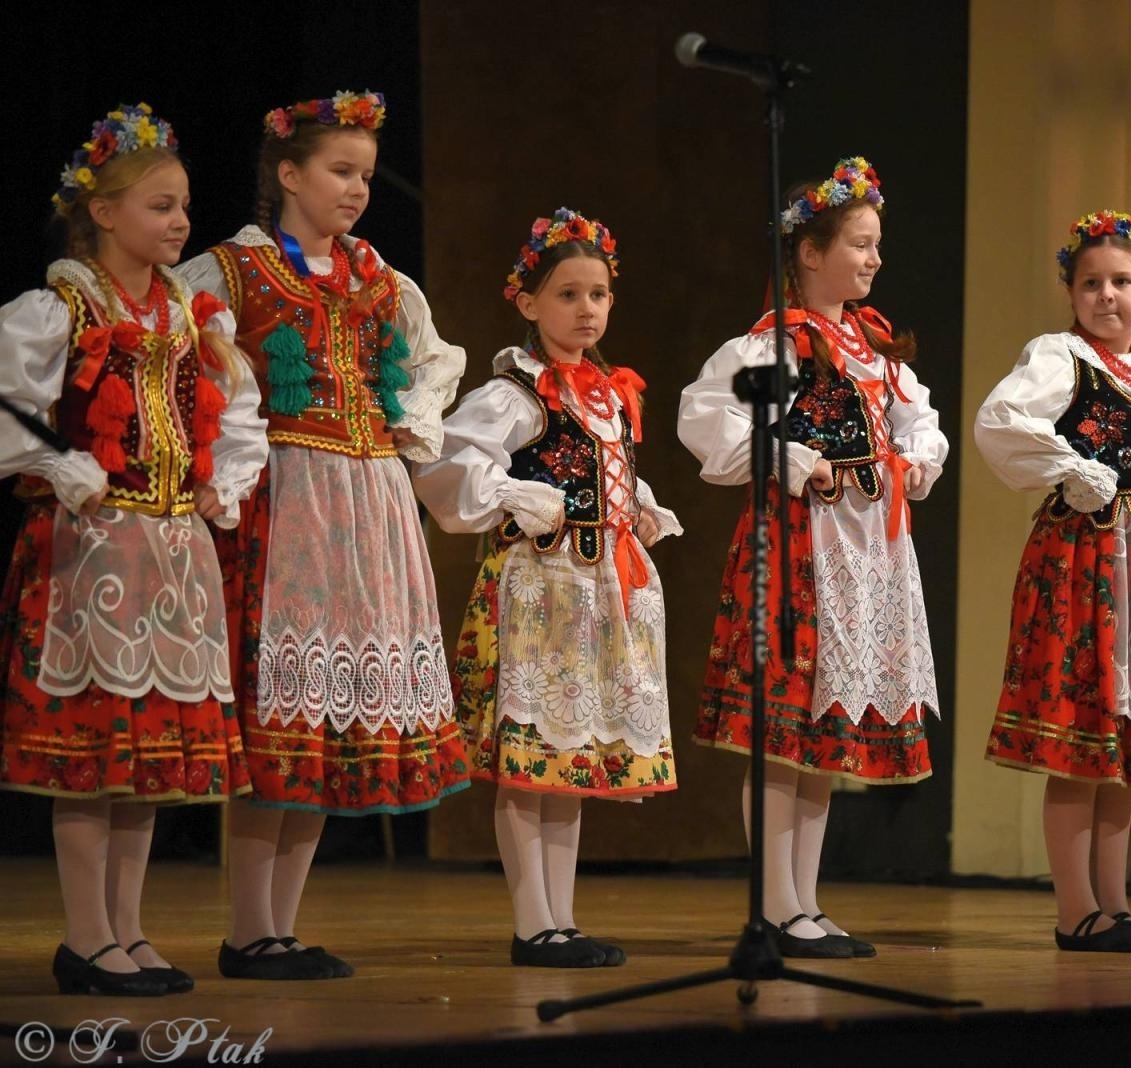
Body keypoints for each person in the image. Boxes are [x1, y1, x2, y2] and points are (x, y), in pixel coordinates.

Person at [178, 90, 470, 979]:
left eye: (366, 176)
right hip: (285, 502)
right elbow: (186, 371)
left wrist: (408, 424)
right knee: (279, 716)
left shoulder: (381, 280)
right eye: (340, 171)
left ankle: (278, 927)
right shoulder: (229, 274)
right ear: (289, 174)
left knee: (323, 728)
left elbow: (427, 366)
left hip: (369, 503)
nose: (356, 190)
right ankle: (247, 927)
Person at [0, 103, 267, 994]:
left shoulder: (192, 319)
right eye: (160, 205)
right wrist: (57, 462)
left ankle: (129, 929)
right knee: (92, 753)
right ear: (104, 213)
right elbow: (10, 406)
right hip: (90, 546)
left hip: (171, 546)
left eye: (184, 205)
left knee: (145, 756)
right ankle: (85, 936)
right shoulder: (61, 305)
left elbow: (236, 418)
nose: (180, 221)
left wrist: (221, 485)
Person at [679, 157, 947, 958]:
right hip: (801, 549)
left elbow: (916, 417)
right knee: (783, 734)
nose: (872, 260)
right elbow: (710, 424)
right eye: (859, 244)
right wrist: (794, 458)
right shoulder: (776, 342)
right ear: (808, 252)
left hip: (868, 553)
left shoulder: (872, 346)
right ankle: (774, 904)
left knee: (822, 735)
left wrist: (918, 454)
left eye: (875, 246)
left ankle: (805, 901)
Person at [415, 208, 680, 967]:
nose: (587, 309)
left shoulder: (606, 392)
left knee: (569, 761)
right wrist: (511, 496)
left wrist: (643, 505)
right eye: (567, 294)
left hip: (600, 587)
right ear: (528, 302)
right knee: (530, 763)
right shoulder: (516, 392)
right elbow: (446, 465)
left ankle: (560, 918)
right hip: (540, 587)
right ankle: (534, 922)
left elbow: (606, 470)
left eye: (598, 294)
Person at [973, 209, 1131, 953]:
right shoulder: (1060, 358)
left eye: (1122, 282)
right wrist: (1069, 470)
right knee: (1082, 743)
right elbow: (1003, 420)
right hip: (1086, 564)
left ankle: (1113, 904)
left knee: (1123, 751)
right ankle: (1074, 908)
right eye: (1091, 283)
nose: (1106, 296)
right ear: (1071, 292)